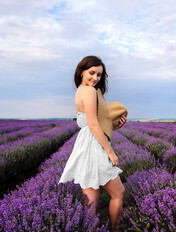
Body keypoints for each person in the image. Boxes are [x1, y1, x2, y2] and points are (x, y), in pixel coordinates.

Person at [58, 55, 127, 231]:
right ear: (81, 71)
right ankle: (114, 229)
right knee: (118, 193)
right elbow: (94, 125)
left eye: (99, 75)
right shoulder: (89, 91)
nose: (95, 78)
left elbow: (91, 125)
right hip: (93, 147)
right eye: (92, 73)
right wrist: (110, 151)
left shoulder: (80, 90)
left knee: (91, 202)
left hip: (84, 145)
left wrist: (116, 127)